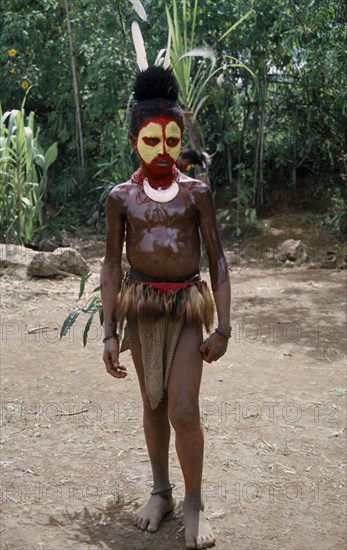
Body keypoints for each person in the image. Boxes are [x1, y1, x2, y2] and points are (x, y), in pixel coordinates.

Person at [100, 66, 231, 550]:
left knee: (183, 409)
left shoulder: (197, 194)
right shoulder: (121, 198)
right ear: (134, 139)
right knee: (153, 405)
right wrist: (110, 330)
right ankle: (162, 492)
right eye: (151, 140)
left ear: (180, 139)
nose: (162, 150)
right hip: (141, 305)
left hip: (187, 306)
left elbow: (217, 260)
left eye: (172, 140)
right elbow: (111, 266)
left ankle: (195, 501)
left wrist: (224, 327)